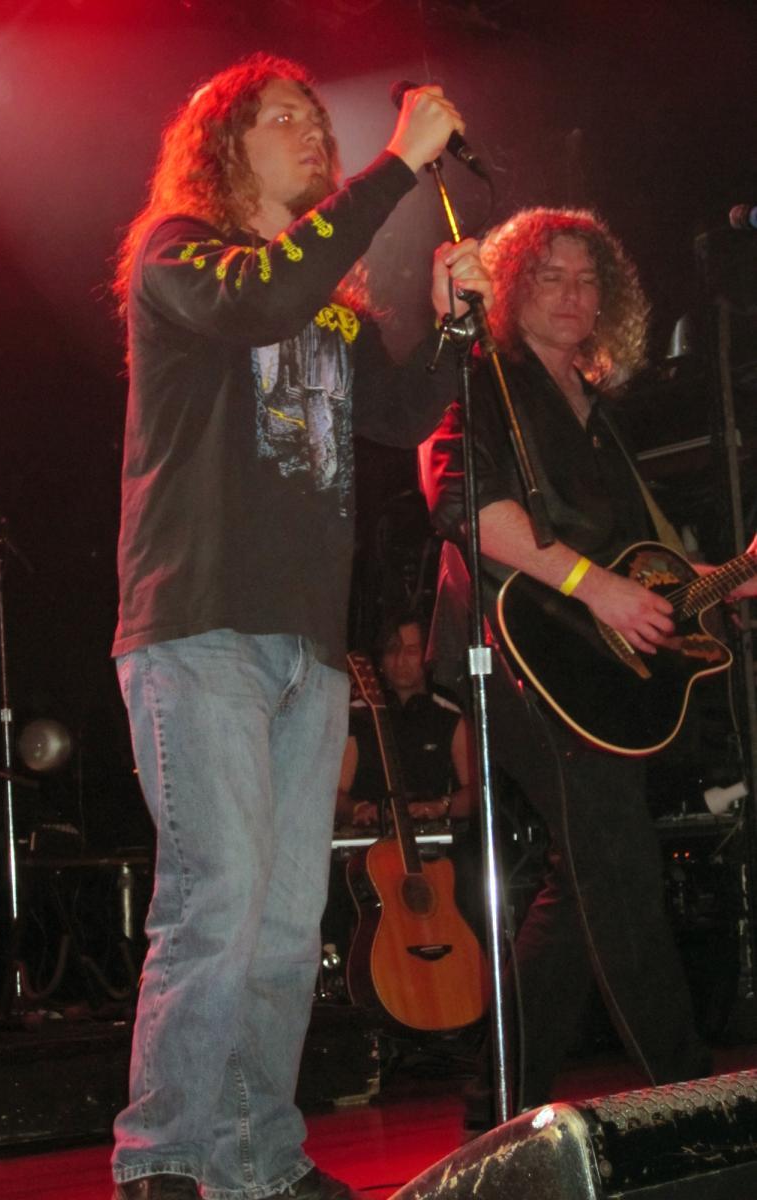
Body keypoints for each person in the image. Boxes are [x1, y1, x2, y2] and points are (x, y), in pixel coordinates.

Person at [110, 53, 493, 1200]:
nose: (312, 134)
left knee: (286, 925)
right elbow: (258, 300)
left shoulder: (327, 300)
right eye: (283, 118)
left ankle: (257, 1163)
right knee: (217, 904)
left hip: (309, 646)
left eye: (318, 121)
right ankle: (163, 1159)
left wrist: (451, 329)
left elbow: (396, 415)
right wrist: (396, 166)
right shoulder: (179, 250)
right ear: (225, 145)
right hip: (203, 625)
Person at [418, 207, 757, 1123]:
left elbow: (635, 558)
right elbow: (464, 504)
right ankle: (695, 1102)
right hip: (515, 649)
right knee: (619, 862)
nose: (573, 295)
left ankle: (497, 1098)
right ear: (511, 287)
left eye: (588, 279)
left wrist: (718, 579)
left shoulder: (596, 409)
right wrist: (597, 590)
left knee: (585, 879)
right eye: (551, 276)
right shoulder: (481, 375)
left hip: (588, 667)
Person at [335, 611, 472, 830]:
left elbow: (474, 793)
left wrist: (440, 806)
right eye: (392, 650)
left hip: (430, 838)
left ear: (427, 657)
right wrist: (357, 809)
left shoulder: (449, 714)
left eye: (411, 651)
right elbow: (335, 793)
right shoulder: (357, 715)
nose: (400, 660)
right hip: (372, 838)